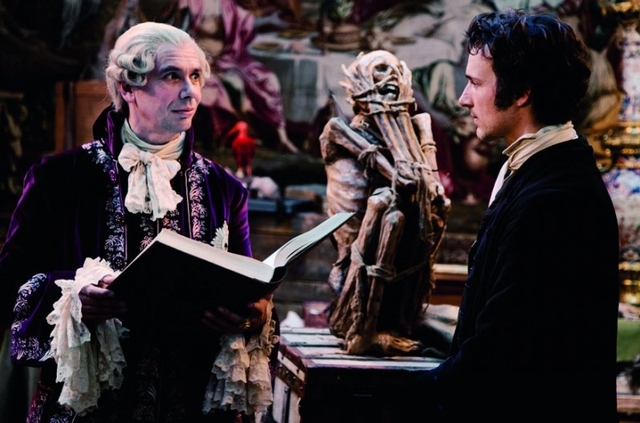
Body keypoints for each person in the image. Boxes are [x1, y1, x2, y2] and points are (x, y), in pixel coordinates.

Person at [0, 21, 279, 423]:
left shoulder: (226, 189)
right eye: (172, 76)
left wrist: (254, 313)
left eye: (195, 77)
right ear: (128, 88)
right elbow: (12, 283)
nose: (191, 92)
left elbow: (246, 281)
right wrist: (73, 296)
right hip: (88, 411)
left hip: (188, 403)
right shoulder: (59, 177)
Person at [407, 8, 621, 422]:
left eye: (475, 83)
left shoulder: (557, 197)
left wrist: (400, 399)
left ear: (521, 91)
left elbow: (503, 352)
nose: (463, 98)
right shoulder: (532, 171)